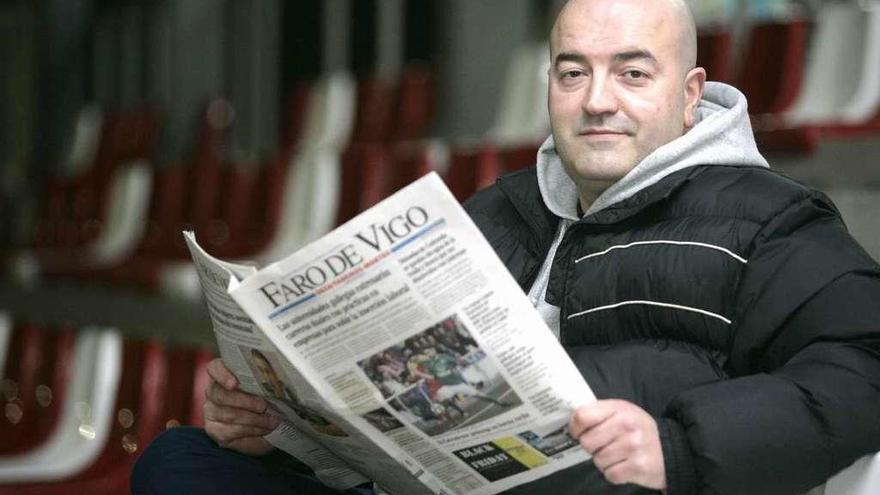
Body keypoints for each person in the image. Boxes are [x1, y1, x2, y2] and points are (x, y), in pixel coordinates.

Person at [133, 0, 880, 493]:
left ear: (690, 96)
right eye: (572, 71)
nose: (596, 99)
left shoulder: (765, 217)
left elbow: (867, 362)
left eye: (631, 72)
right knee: (180, 463)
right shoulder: (504, 208)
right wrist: (281, 429)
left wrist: (677, 447)